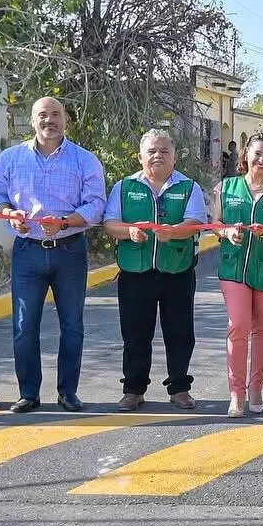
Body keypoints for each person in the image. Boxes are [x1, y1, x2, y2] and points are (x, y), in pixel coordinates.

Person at [0, 96, 106, 413]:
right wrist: (8, 213)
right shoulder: (11, 159)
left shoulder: (84, 160)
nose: (49, 120)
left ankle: (68, 392)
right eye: (43, 114)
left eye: (56, 114)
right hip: (27, 251)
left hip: (69, 250)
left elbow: (96, 205)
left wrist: (67, 222)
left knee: (72, 325)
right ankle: (28, 392)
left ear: (65, 120)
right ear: (32, 120)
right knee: (24, 325)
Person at [101, 129, 208, 412]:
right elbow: (110, 223)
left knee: (180, 332)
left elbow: (197, 222)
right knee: (135, 334)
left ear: (174, 157)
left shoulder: (189, 187)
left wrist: (175, 232)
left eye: (164, 151)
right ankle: (133, 389)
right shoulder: (124, 187)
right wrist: (129, 231)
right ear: (140, 157)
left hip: (178, 272)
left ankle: (180, 388)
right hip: (135, 273)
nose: (158, 156)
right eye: (152, 151)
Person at [216, 132, 263, 417]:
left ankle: (256, 387)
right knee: (238, 325)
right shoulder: (225, 188)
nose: (261, 160)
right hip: (233, 268)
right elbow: (215, 223)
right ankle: (236, 393)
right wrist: (226, 231)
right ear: (246, 154)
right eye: (258, 154)